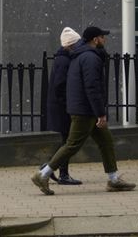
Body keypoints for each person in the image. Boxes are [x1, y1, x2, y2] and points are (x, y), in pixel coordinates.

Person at [31, 25, 136, 194]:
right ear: (95, 39)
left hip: (84, 108)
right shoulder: (90, 58)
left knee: (106, 141)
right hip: (85, 111)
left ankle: (113, 179)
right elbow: (92, 87)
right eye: (102, 37)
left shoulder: (80, 56)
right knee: (72, 145)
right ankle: (43, 174)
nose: (105, 39)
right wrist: (100, 113)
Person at [43, 27, 82, 185]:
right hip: (63, 107)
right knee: (68, 141)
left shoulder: (63, 58)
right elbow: (60, 86)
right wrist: (68, 103)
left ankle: (50, 168)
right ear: (71, 44)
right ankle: (59, 172)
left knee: (67, 140)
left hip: (61, 106)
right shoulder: (64, 60)